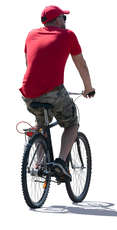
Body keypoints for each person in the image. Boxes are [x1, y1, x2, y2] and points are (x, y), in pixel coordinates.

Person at [20, 5, 95, 181]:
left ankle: (39, 162)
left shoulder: (31, 35)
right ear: (57, 20)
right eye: (64, 18)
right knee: (72, 123)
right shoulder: (68, 35)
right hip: (53, 91)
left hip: (28, 92)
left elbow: (29, 62)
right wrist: (89, 88)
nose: (65, 21)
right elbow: (81, 64)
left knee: (42, 122)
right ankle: (61, 162)